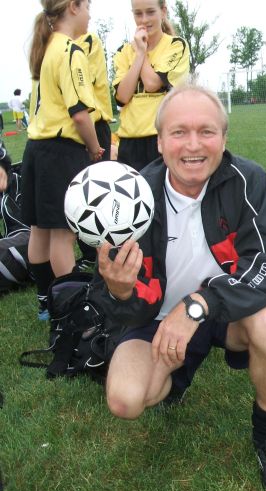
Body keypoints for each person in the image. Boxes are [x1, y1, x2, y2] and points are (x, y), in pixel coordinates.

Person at [97, 84, 266, 491]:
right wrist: (119, 291)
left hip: (225, 315)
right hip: (156, 318)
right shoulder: (133, 197)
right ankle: (179, 369)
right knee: (125, 400)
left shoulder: (249, 180)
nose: (193, 145)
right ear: (159, 141)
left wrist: (200, 303)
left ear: (224, 139)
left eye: (207, 131)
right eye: (179, 132)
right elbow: (121, 310)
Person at [21, 0, 104, 320]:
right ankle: (70, 310)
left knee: (39, 232)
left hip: (35, 151)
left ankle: (46, 303)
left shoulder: (45, 48)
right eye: (88, 6)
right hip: (60, 153)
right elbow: (80, 114)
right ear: (73, 7)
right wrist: (96, 149)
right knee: (62, 236)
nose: (89, 14)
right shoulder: (70, 50)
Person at [113, 0, 190, 172]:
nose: (144, 20)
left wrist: (142, 51)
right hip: (129, 141)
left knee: (160, 197)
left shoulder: (176, 46)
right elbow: (123, 97)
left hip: (162, 138)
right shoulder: (124, 52)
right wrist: (138, 53)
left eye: (150, 12)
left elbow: (152, 84)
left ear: (163, 11)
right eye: (138, 13)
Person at [75, 31, 114, 271]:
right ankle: (97, 251)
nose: (88, 14)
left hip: (85, 125)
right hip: (88, 123)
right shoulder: (83, 42)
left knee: (92, 193)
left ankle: (98, 250)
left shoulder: (80, 41)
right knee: (94, 194)